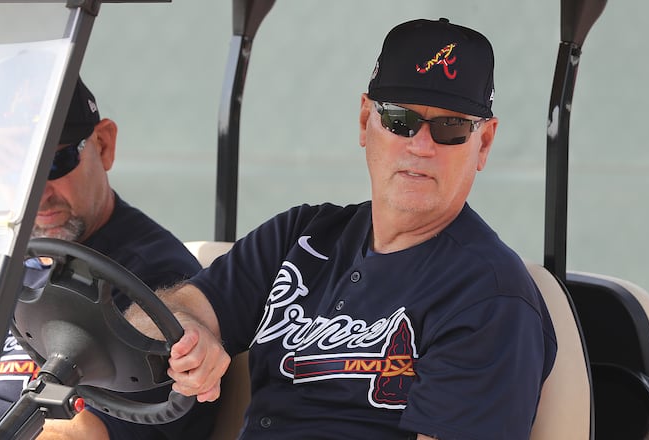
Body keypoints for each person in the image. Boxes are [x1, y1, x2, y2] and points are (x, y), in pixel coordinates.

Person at [127, 17, 558, 439]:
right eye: (399, 120)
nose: (421, 145)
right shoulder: (301, 236)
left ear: (483, 144)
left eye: (452, 127)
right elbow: (161, 314)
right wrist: (186, 331)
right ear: (364, 120)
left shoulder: (489, 295)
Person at [0, 78, 217, 439]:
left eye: (57, 161)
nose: (38, 193)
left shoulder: (157, 280)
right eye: (14, 170)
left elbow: (84, 435)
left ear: (104, 145)